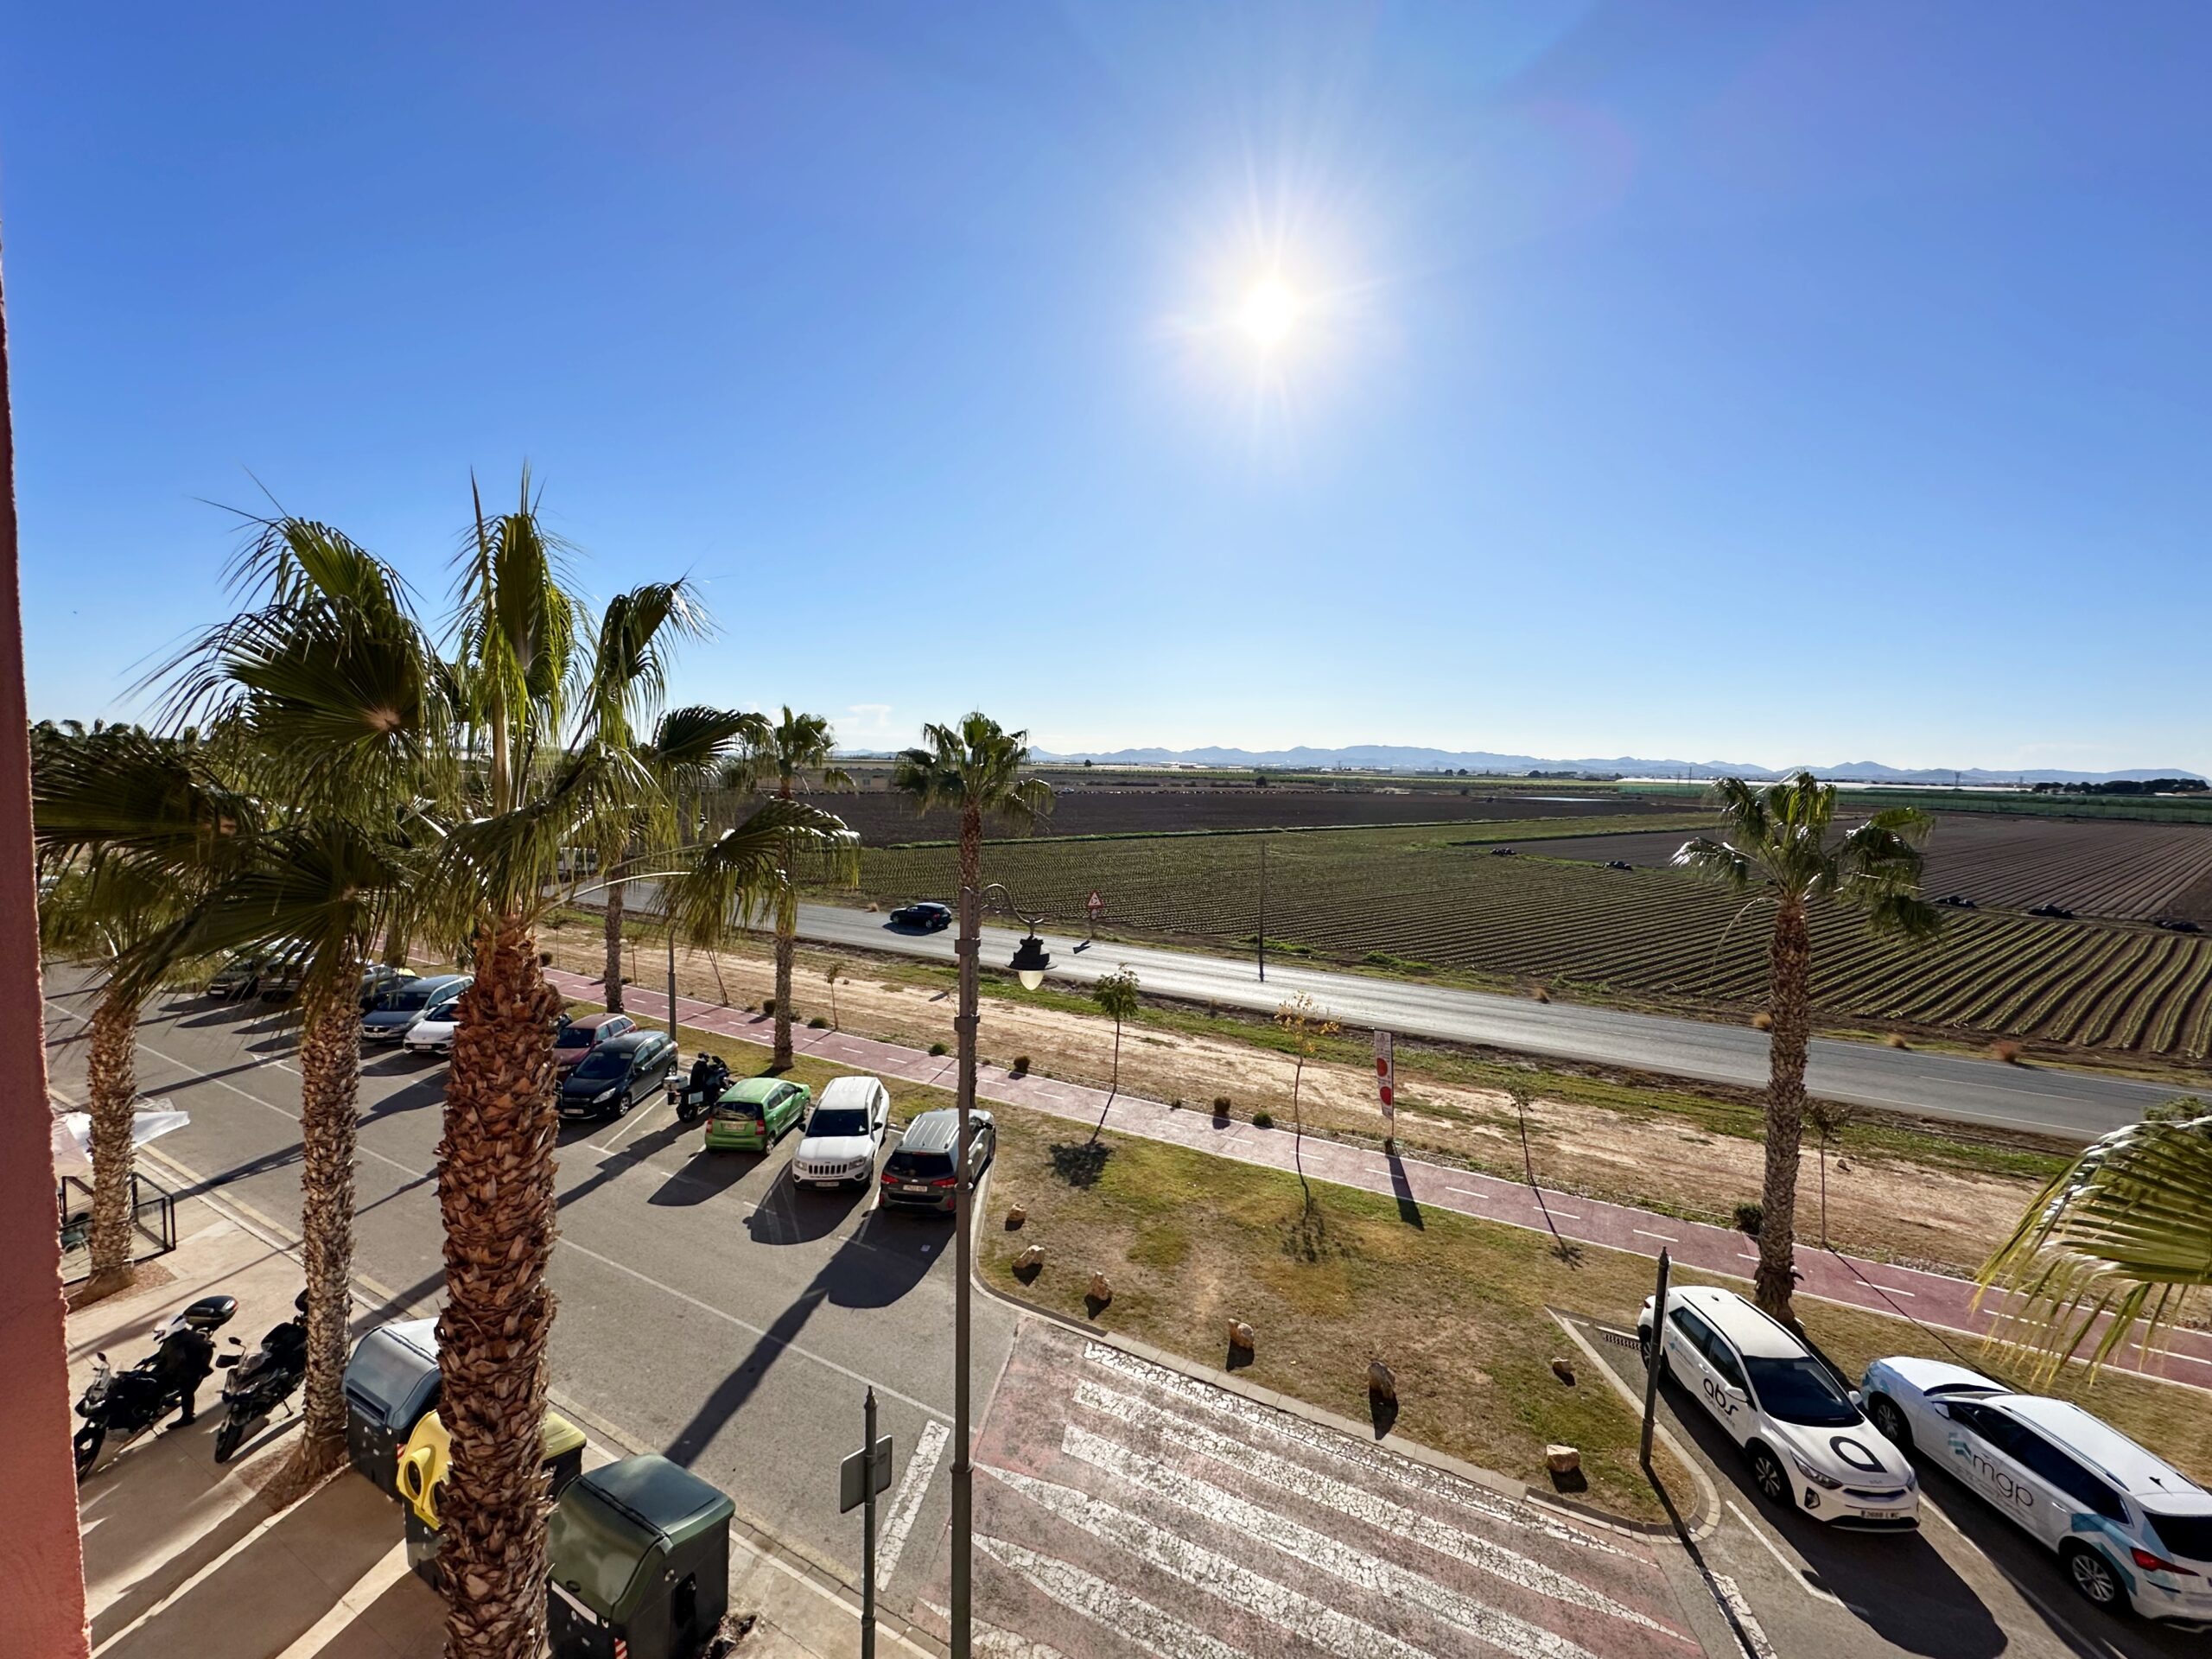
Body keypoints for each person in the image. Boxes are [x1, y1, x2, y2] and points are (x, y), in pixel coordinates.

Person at [151, 1319, 218, 1426]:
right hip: (189, 1362)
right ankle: (170, 1400)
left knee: (186, 1391)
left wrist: (164, 1373)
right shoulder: (177, 1336)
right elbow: (164, 1352)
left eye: (162, 1332)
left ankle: (187, 1417)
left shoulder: (178, 1342)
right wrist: (149, 1360)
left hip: (195, 1368)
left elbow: (175, 1362)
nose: (160, 1334)